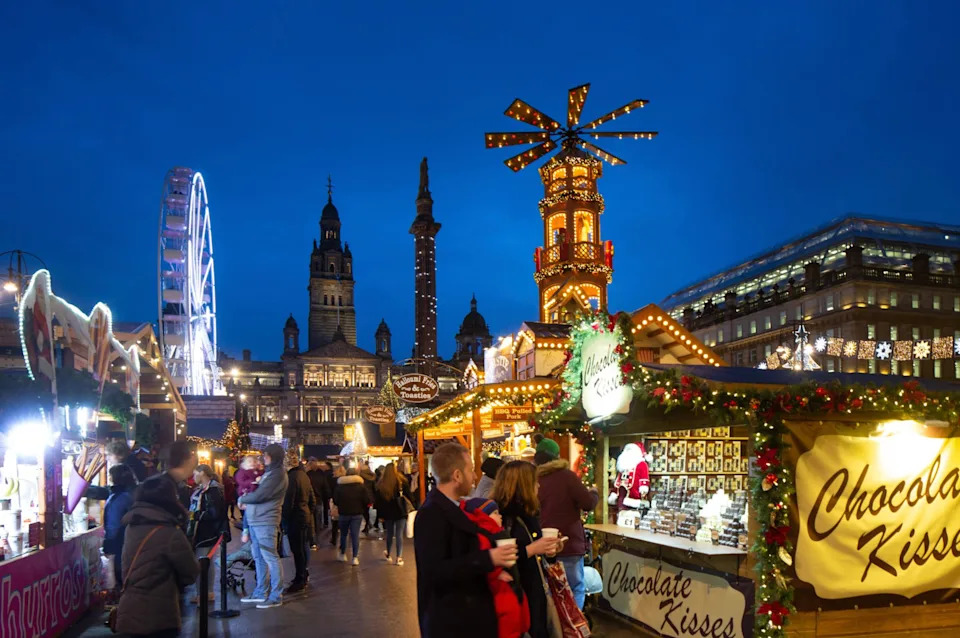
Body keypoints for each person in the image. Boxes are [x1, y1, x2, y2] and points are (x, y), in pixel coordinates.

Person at [414, 442, 518, 638]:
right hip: (451, 623)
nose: (475, 476)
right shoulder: (432, 514)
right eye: (471, 470)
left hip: (464, 618)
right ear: (457, 475)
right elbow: (435, 570)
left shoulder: (451, 507)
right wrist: (488, 559)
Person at [114, 470, 200, 638]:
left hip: (128, 612)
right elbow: (190, 573)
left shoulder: (131, 525)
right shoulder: (169, 532)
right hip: (159, 616)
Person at [494, 460, 563, 638]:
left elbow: (536, 553)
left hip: (535, 591)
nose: (538, 486)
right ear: (523, 485)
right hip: (518, 596)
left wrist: (550, 551)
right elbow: (499, 559)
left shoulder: (529, 514)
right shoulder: (501, 518)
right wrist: (532, 549)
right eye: (534, 482)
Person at [535, 437, 598, 610]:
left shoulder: (533, 479)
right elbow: (587, 503)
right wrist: (594, 493)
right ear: (556, 456)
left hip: (542, 545)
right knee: (574, 588)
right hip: (568, 543)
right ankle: (573, 630)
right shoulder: (567, 477)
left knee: (550, 591)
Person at [460, 498, 531, 638]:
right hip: (501, 608)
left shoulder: (497, 534)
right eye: (495, 513)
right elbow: (479, 564)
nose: (500, 516)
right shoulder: (481, 537)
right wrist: (495, 573)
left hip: (509, 604)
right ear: (483, 516)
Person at [238, 443, 288, 609]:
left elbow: (261, 495)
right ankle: (261, 591)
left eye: (266, 455)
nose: (264, 458)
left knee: (270, 557)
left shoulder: (277, 474)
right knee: (259, 557)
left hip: (265, 520)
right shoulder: (270, 473)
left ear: (273, 456)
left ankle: (275, 595)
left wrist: (242, 499)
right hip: (256, 520)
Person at [187, 464, 226, 604]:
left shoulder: (213, 491)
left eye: (195, 473)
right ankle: (205, 592)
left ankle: (204, 593)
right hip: (202, 531)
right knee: (205, 562)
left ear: (202, 473)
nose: (193, 477)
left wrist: (194, 515)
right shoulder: (205, 489)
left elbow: (214, 512)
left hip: (206, 532)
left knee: (202, 562)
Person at [282, 449, 315, 594]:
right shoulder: (304, 475)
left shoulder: (291, 477)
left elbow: (289, 501)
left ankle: (299, 579)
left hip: (296, 517)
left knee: (297, 550)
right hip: (304, 515)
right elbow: (312, 499)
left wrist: (284, 519)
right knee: (301, 548)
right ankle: (302, 575)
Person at [102, 464, 137, 591]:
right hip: (127, 542)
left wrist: (108, 544)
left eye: (110, 475)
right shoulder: (129, 494)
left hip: (118, 543)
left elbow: (114, 524)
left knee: (119, 577)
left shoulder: (120, 497)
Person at [334, 466, 371, 565]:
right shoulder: (361, 486)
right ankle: (355, 557)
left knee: (343, 534)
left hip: (343, 513)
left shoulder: (340, 486)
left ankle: (343, 554)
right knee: (355, 535)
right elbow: (367, 500)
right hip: (357, 513)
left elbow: (335, 500)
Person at [375, 462, 408, 566]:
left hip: (388, 513)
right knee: (399, 534)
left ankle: (389, 554)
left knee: (389, 533)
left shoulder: (381, 483)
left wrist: (380, 515)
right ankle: (399, 557)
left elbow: (379, 502)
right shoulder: (402, 481)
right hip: (400, 511)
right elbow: (409, 496)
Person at [306, 458, 330, 544]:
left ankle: (312, 540)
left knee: (310, 521)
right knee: (317, 520)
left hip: (308, 501)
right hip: (319, 500)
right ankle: (316, 538)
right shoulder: (321, 474)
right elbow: (325, 488)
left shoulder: (306, 475)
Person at [359, 461, 377, 534]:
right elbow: (374, 488)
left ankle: (367, 525)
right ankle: (368, 524)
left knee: (364, 511)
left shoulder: (360, 476)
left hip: (361, 496)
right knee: (366, 510)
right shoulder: (372, 476)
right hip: (369, 497)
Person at [329, 465, 345, 547]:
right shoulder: (345, 481)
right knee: (342, 521)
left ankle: (334, 538)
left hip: (334, 501)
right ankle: (342, 541)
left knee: (334, 521)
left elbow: (330, 491)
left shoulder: (333, 480)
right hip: (343, 502)